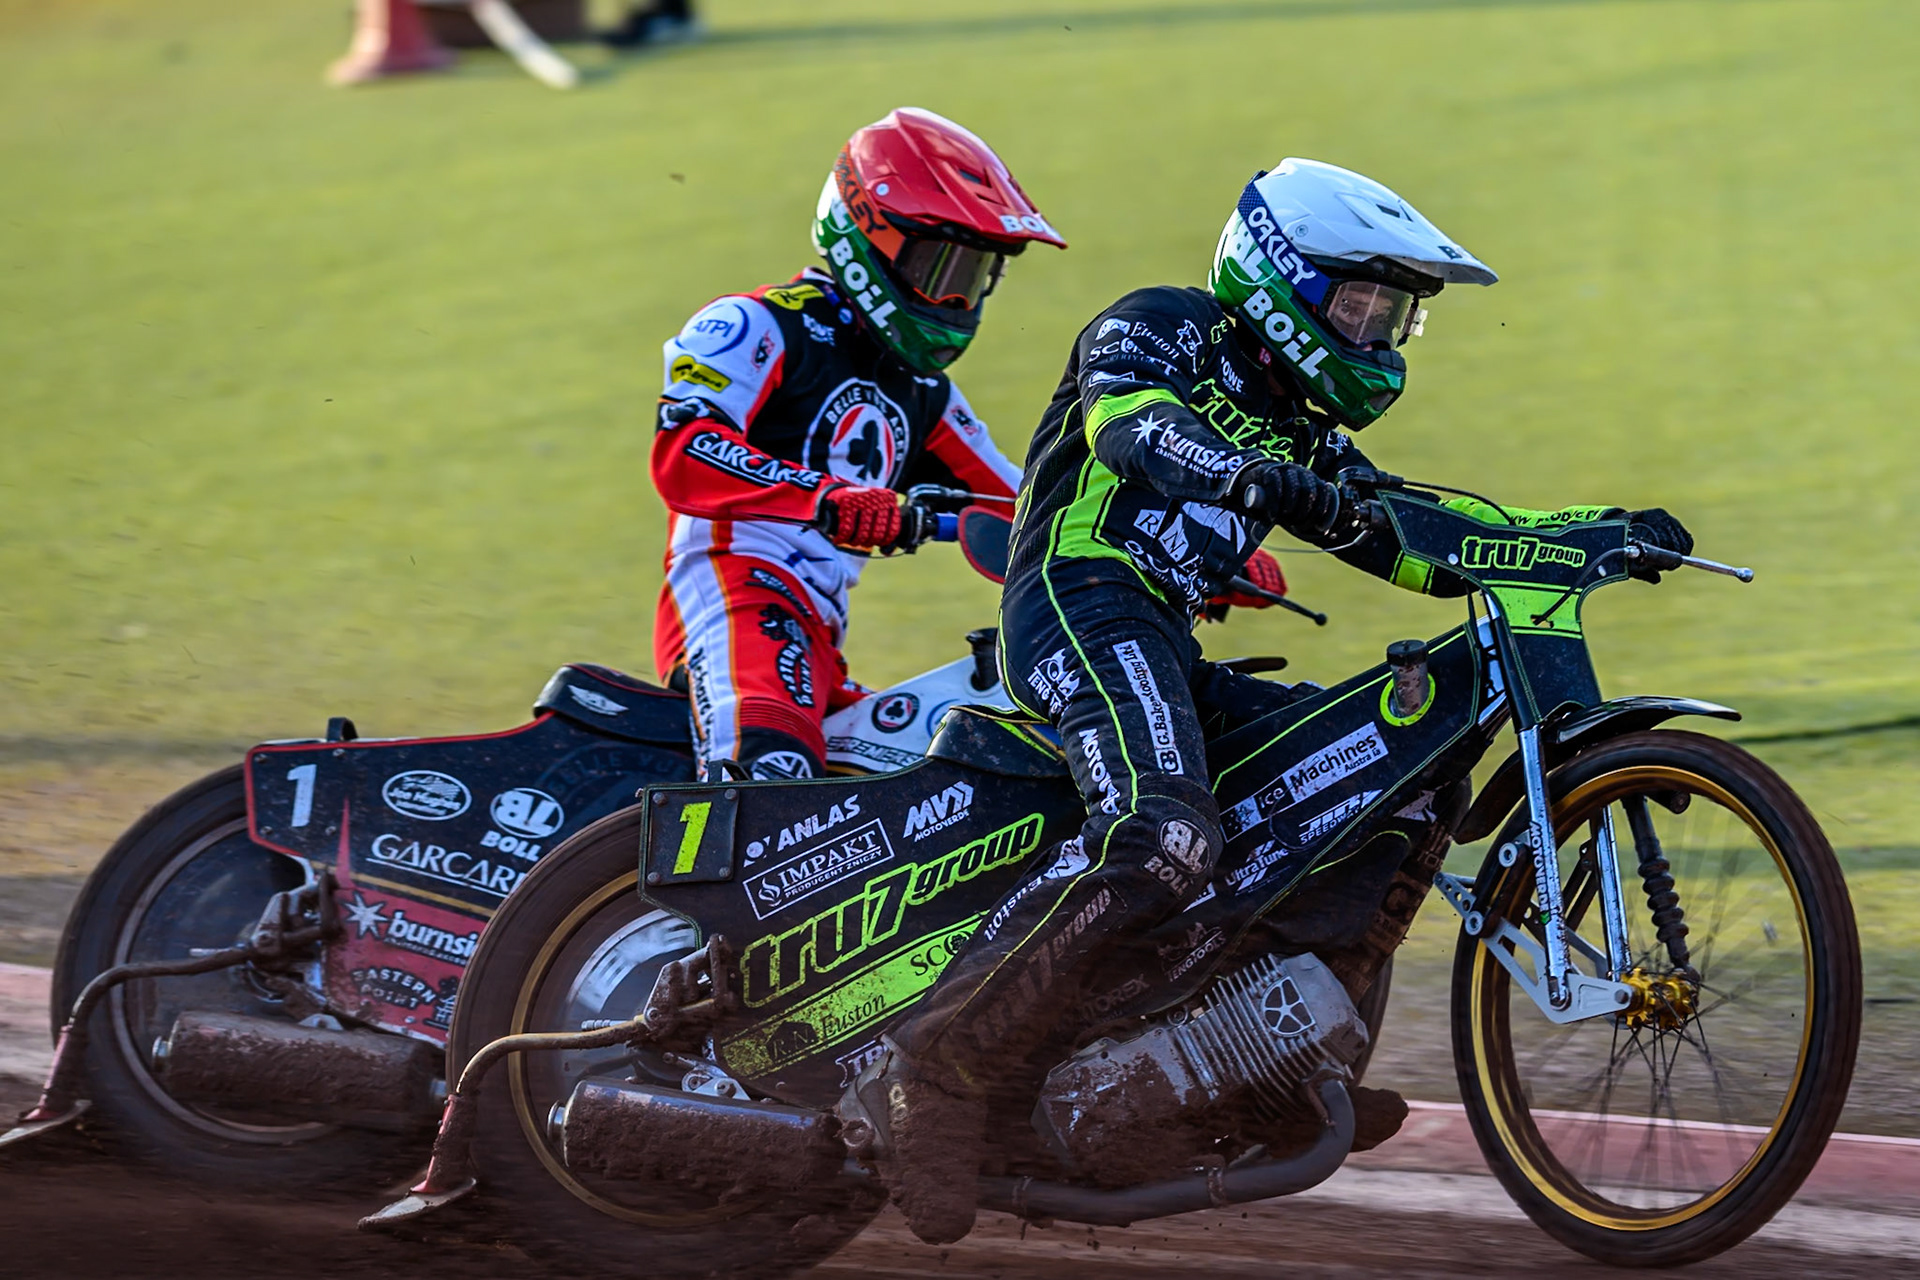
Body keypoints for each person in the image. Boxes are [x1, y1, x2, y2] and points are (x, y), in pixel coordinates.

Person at [847, 158, 1696, 1243]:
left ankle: (1273, 1058)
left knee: (1383, 781)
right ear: (1277, 278)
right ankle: (937, 1064)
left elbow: (1420, 538)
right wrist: (1245, 474)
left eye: (1395, 313)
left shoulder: (1301, 427)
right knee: (1162, 836)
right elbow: (1128, 426)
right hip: (1079, 597)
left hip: (1168, 639)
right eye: (1361, 302)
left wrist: (1589, 530)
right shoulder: (1161, 325)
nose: (1379, 331)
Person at [648, 108, 1064, 781]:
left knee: (933, 779)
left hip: (817, 638)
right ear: (866, 234)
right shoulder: (755, 324)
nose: (956, 300)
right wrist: (830, 498)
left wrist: (1178, 548)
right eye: (940, 267)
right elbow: (684, 453)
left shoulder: (924, 391)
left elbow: (1027, 504)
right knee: (773, 792)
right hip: (737, 598)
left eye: (976, 274)